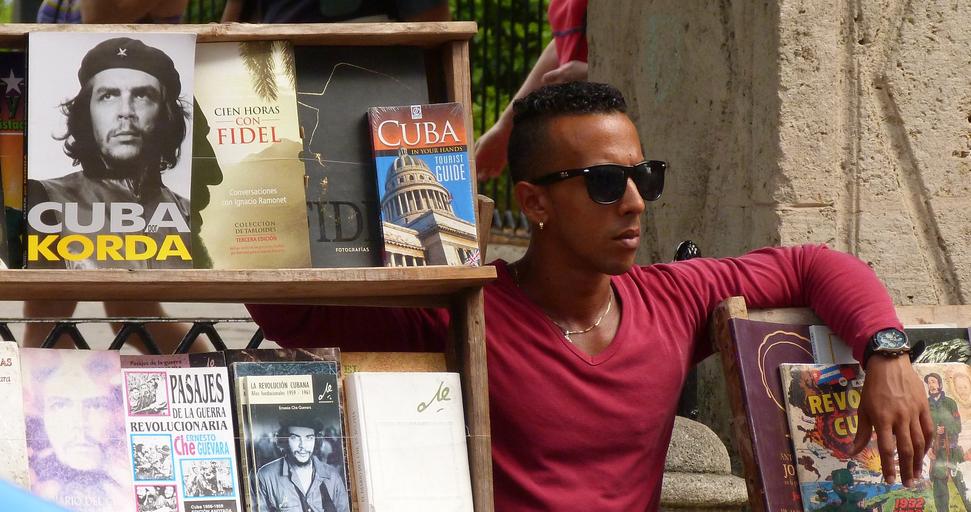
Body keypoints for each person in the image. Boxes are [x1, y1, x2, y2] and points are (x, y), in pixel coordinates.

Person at [247, 81, 933, 510]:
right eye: (605, 183)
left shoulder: (674, 297)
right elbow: (287, 310)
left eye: (644, 177)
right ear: (533, 204)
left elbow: (817, 264)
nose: (633, 203)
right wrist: (270, 166)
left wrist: (886, 352)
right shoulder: (464, 308)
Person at [474, 0, 589, 179]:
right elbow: (561, 45)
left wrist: (593, 72)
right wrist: (507, 126)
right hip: (573, 136)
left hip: (604, 135)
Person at [255, 416, 350, 512]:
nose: (303, 446)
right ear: (285, 440)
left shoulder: (333, 476)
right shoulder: (266, 476)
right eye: (295, 438)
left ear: (316, 441)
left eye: (309, 438)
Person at [925, 372, 971, 511]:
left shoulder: (950, 403)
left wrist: (945, 428)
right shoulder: (925, 404)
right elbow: (923, 429)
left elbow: (958, 426)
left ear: (940, 384)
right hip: (937, 453)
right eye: (929, 382)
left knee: (964, 485)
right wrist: (928, 447)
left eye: (933, 381)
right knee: (939, 490)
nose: (931, 385)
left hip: (953, 451)